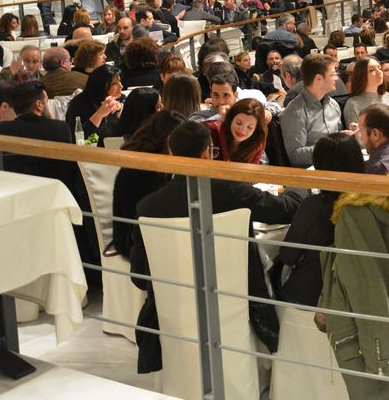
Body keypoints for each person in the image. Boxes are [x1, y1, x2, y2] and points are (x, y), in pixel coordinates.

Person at [130, 121, 305, 373]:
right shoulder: (228, 190)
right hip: (233, 298)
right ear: (206, 153)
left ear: (171, 152)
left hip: (171, 309)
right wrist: (298, 184)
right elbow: (284, 210)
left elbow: (139, 275)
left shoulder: (149, 206)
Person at [0, 80, 98, 280]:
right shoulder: (59, 129)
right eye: (47, 101)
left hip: (15, 208)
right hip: (56, 205)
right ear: (39, 105)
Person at [273, 133, 365, 306]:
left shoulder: (315, 207)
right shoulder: (369, 201)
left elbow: (288, 255)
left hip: (313, 297)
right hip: (360, 295)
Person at [110, 111, 186, 258]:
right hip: (135, 242)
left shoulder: (161, 166)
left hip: (149, 235)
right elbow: (142, 219)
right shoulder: (138, 171)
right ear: (167, 139)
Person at [281, 54, 345, 166]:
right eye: (333, 74)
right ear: (319, 78)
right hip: (315, 171)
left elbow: (336, 138)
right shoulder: (295, 111)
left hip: (336, 163)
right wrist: (330, 147)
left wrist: (345, 137)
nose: (337, 78)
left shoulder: (333, 104)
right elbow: (296, 156)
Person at [65, 65, 123, 142]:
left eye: (120, 81)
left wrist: (120, 108)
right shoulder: (78, 105)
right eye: (114, 84)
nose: (121, 86)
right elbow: (77, 138)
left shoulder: (118, 98)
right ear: (101, 86)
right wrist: (100, 114)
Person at [206, 98, 268, 164]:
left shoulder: (256, 143)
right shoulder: (211, 131)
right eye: (239, 123)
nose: (242, 130)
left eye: (249, 127)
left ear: (256, 129)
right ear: (231, 119)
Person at [343, 57, 389, 127]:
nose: (379, 72)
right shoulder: (352, 104)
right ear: (361, 75)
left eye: (379, 68)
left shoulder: (387, 96)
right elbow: (356, 132)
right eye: (372, 70)